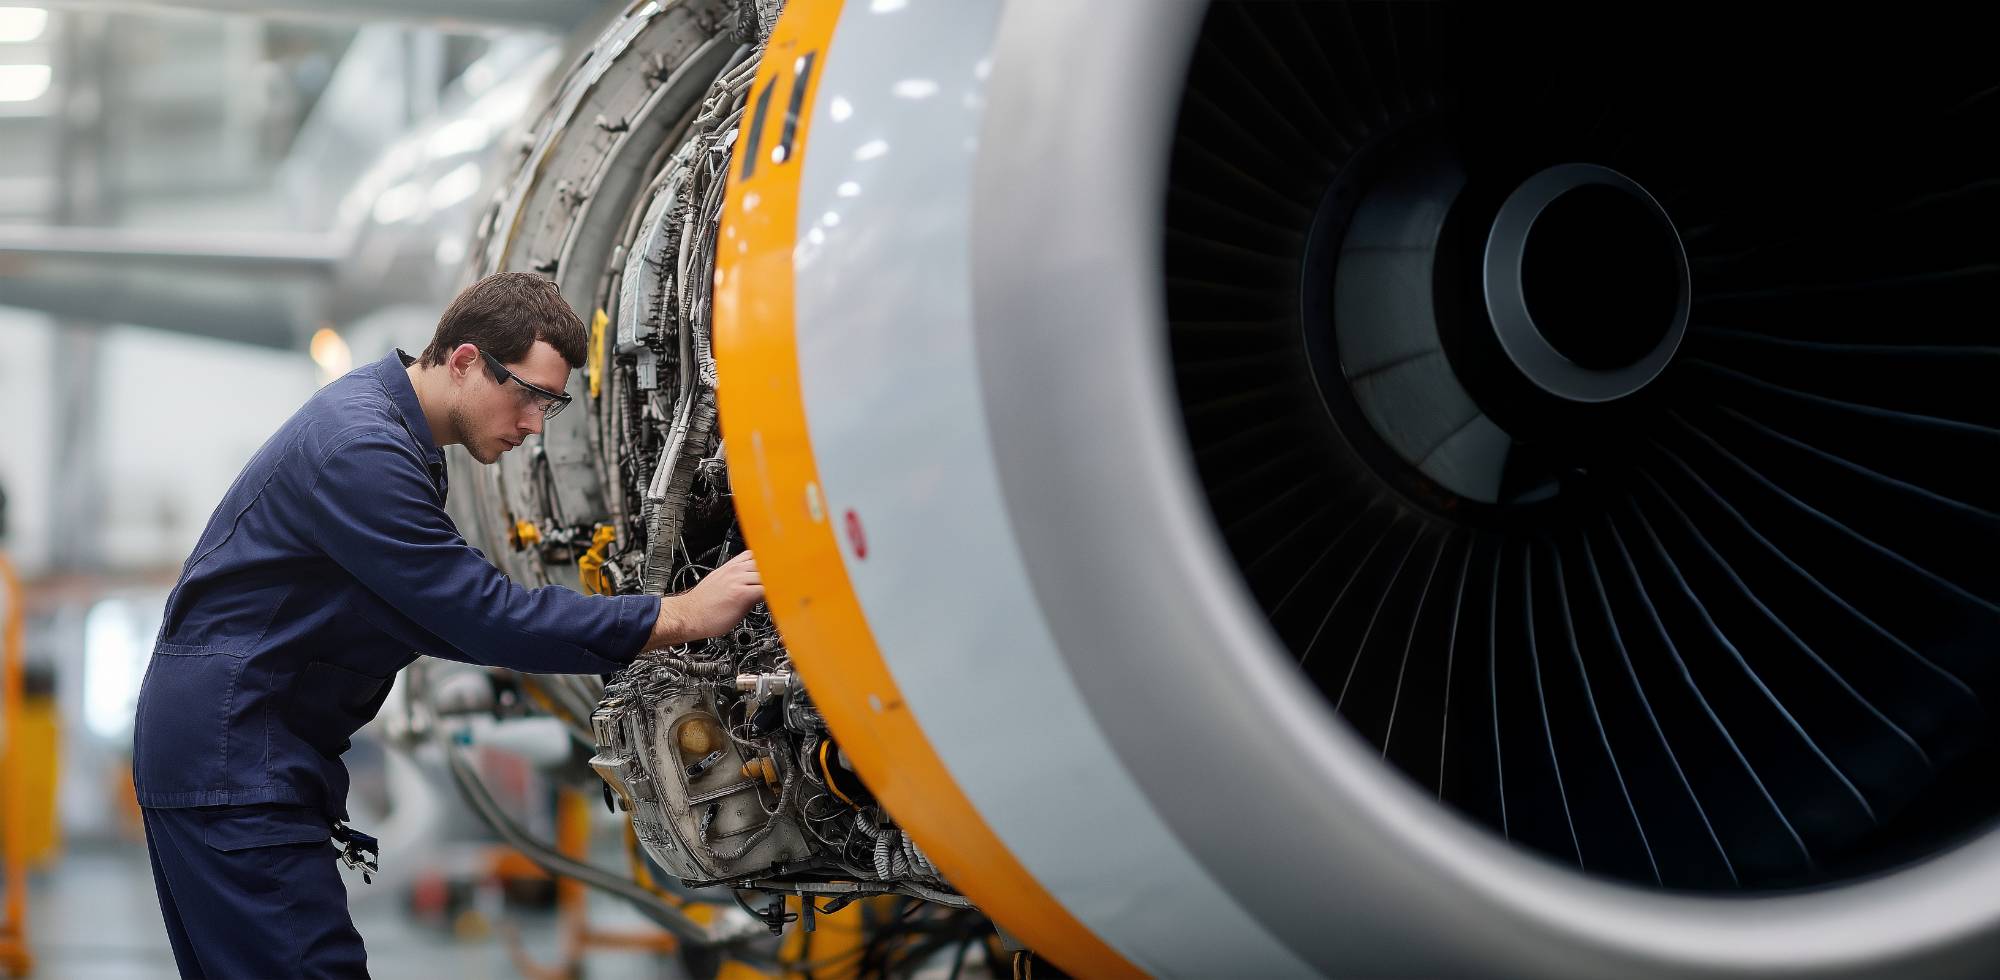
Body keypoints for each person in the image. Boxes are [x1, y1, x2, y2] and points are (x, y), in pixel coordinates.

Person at [132, 272, 761, 977]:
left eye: (548, 407)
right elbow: (482, 616)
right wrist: (681, 613)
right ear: (464, 361)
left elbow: (447, 613)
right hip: (235, 759)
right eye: (526, 394)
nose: (531, 425)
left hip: (232, 753)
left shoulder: (387, 435)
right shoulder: (361, 453)